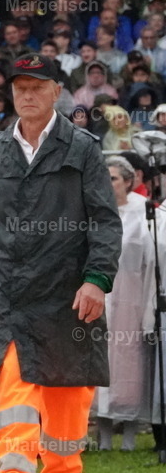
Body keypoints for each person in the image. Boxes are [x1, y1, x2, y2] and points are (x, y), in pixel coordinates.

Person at [0, 54, 123, 473]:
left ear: (58, 91)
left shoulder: (82, 148)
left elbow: (104, 220)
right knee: (13, 381)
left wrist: (97, 279)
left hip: (67, 289)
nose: (28, 94)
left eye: (37, 86)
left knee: (68, 389)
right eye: (20, 87)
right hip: (9, 292)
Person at [96, 157, 156, 451]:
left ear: (129, 181)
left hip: (132, 295)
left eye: (114, 179)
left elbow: (151, 260)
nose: (108, 184)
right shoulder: (95, 211)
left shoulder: (143, 212)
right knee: (101, 360)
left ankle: (130, 436)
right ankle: (104, 438)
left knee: (130, 362)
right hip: (100, 295)